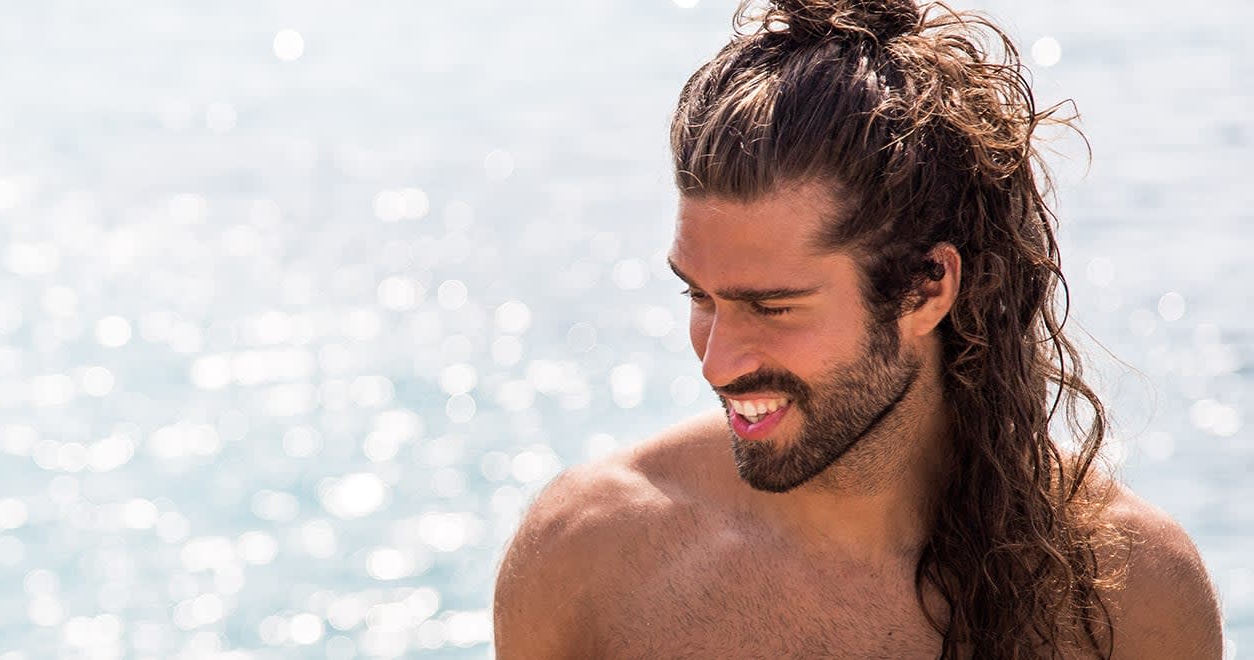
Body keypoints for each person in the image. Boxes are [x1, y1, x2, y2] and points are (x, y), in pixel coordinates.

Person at [491, 0, 1225, 657]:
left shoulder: (1129, 592)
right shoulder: (588, 556)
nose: (716, 364)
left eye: (771, 307)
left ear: (926, 289)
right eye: (701, 298)